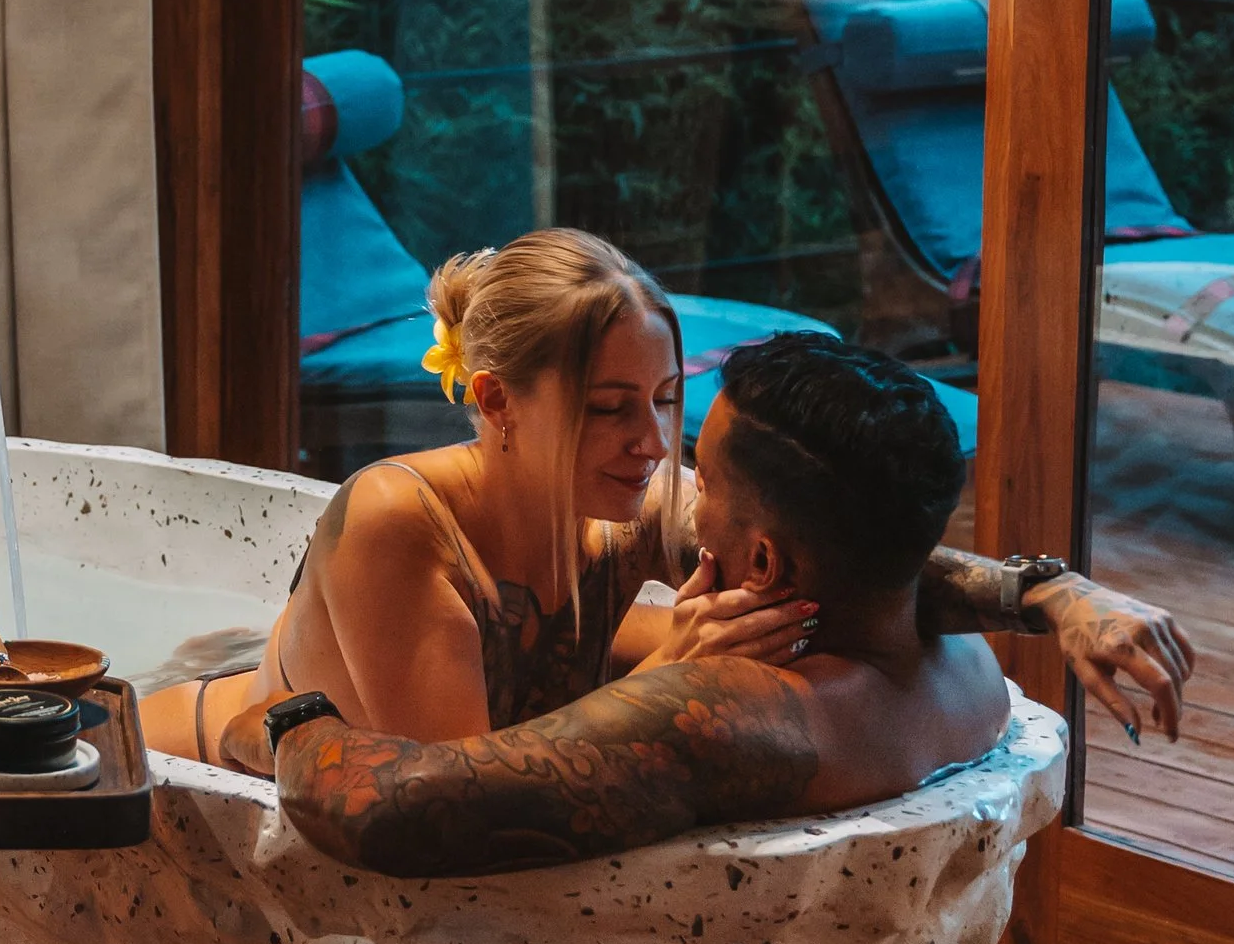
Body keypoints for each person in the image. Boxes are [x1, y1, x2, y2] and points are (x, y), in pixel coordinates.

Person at [145, 225, 1189, 771]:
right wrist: (670, 680)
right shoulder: (396, 522)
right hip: (178, 768)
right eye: (608, 410)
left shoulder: (629, 502)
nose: (652, 445)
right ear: (498, 400)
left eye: (659, 399)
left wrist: (1051, 600)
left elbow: (834, 546)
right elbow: (449, 797)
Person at [250, 327, 1033, 875]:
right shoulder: (967, 669)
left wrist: (293, 715)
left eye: (705, 478)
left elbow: (395, 812)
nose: (671, 470)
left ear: (761, 562)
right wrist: (1042, 592)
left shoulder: (721, 711)